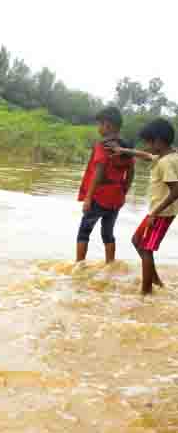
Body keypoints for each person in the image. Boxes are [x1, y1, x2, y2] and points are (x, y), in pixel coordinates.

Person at [75, 107, 135, 264]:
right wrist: (124, 191)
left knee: (84, 231)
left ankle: (79, 266)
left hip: (99, 196)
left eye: (100, 124)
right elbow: (131, 172)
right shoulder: (126, 147)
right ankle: (110, 265)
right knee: (108, 233)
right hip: (116, 198)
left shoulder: (103, 146)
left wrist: (88, 198)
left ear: (108, 125)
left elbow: (99, 172)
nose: (99, 128)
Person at [128, 119, 178, 295]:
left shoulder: (166, 162)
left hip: (160, 213)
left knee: (146, 248)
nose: (146, 146)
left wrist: (154, 214)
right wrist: (124, 151)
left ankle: (146, 292)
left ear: (158, 141)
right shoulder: (169, 156)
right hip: (157, 212)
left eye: (148, 142)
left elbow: (175, 191)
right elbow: (145, 155)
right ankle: (155, 280)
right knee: (137, 241)